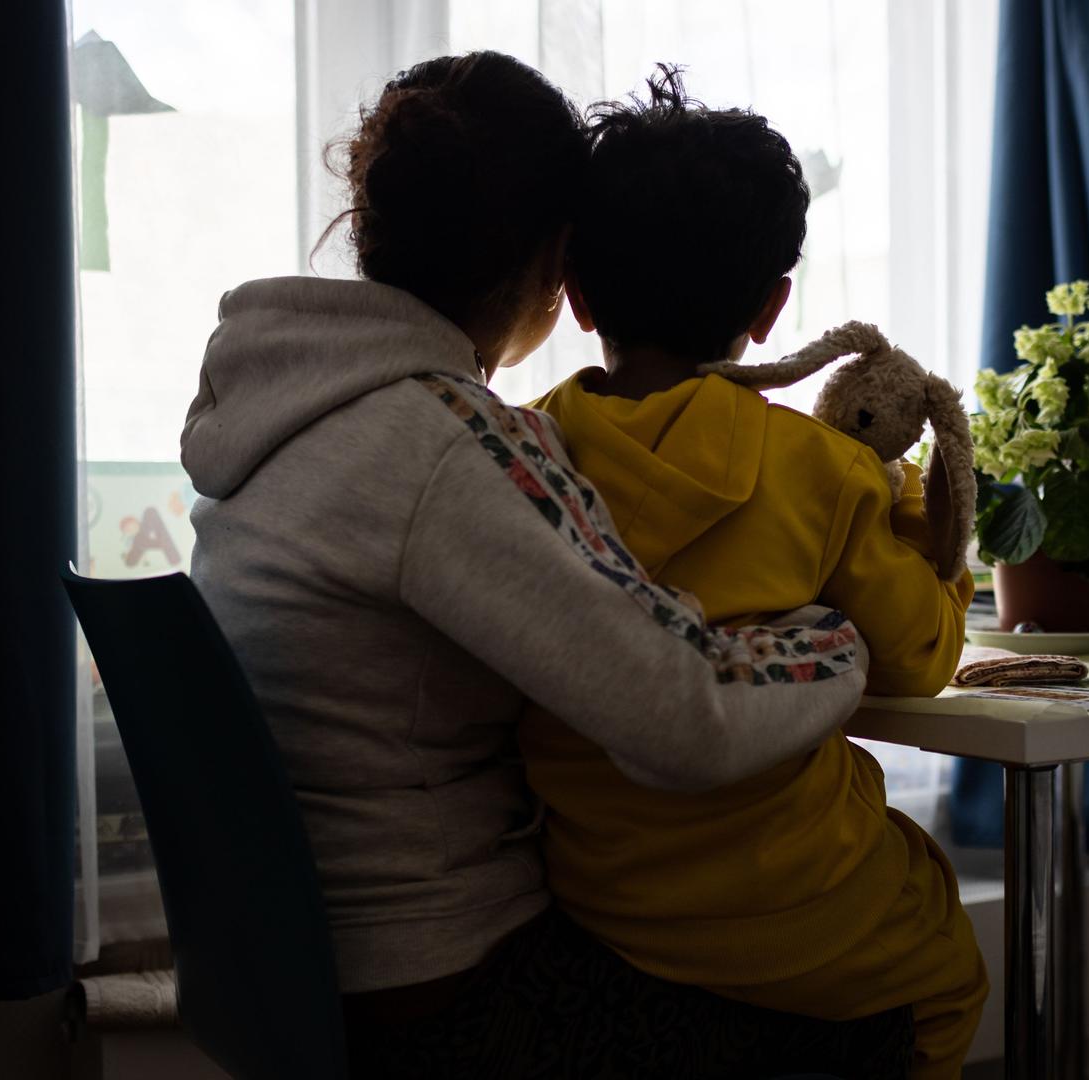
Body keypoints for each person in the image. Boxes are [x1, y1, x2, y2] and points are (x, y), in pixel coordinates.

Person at [182, 52, 911, 1079]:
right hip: (450, 994)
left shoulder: (284, 414)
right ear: (555, 259)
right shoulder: (447, 442)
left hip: (304, 977)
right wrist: (836, 634)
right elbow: (685, 719)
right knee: (876, 1026)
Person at [521, 67, 988, 1080]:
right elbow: (919, 660)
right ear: (776, 308)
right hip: (803, 910)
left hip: (603, 902)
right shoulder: (819, 468)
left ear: (579, 292)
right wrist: (928, 535)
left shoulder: (532, 451)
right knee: (949, 971)